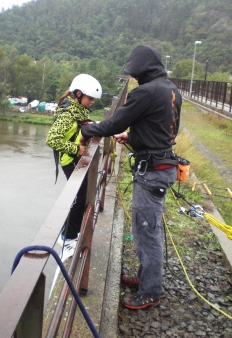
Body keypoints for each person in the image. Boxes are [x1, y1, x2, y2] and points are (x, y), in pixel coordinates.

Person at [80, 45, 182, 310]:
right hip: (162, 165)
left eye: (136, 75)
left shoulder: (146, 92)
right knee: (146, 228)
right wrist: (133, 138)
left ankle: (150, 291)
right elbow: (162, 129)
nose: (135, 80)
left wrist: (90, 130)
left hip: (152, 173)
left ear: (144, 70)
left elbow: (114, 123)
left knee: (147, 232)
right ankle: (145, 278)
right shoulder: (171, 89)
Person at [46, 73, 102, 256]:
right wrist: (75, 148)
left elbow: (81, 127)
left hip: (77, 159)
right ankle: (67, 239)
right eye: (90, 98)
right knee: (79, 198)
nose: (92, 102)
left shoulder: (78, 110)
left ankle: (72, 233)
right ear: (78, 94)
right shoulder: (67, 113)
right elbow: (52, 139)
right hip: (70, 161)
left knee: (83, 195)